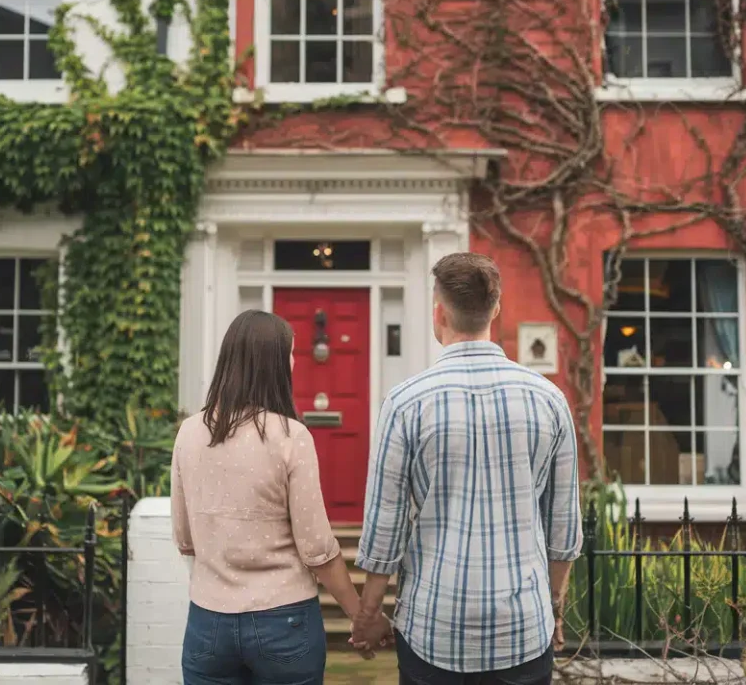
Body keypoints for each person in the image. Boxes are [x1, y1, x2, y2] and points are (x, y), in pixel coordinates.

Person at [351, 252, 583, 684]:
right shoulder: (548, 400)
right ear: (496, 310)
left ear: (439, 313)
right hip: (522, 629)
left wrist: (368, 615)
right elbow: (563, 529)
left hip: (432, 627)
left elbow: (385, 529)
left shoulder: (405, 404)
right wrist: (553, 610)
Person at [171, 310, 390, 684]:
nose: (293, 362)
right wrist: (360, 614)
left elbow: (185, 539)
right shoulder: (291, 436)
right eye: (289, 353)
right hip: (282, 621)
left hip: (208, 623)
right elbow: (318, 550)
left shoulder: (190, 432)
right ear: (271, 363)